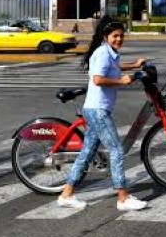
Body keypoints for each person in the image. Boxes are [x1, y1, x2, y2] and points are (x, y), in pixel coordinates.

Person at [58, 16, 149, 211]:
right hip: (97, 111)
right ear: (106, 36)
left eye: (121, 36)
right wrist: (122, 82)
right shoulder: (102, 53)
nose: (119, 39)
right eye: (115, 36)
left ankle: (66, 194)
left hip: (96, 110)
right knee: (116, 150)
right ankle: (123, 198)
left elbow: (114, 68)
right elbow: (98, 79)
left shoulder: (110, 54)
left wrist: (134, 65)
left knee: (87, 152)